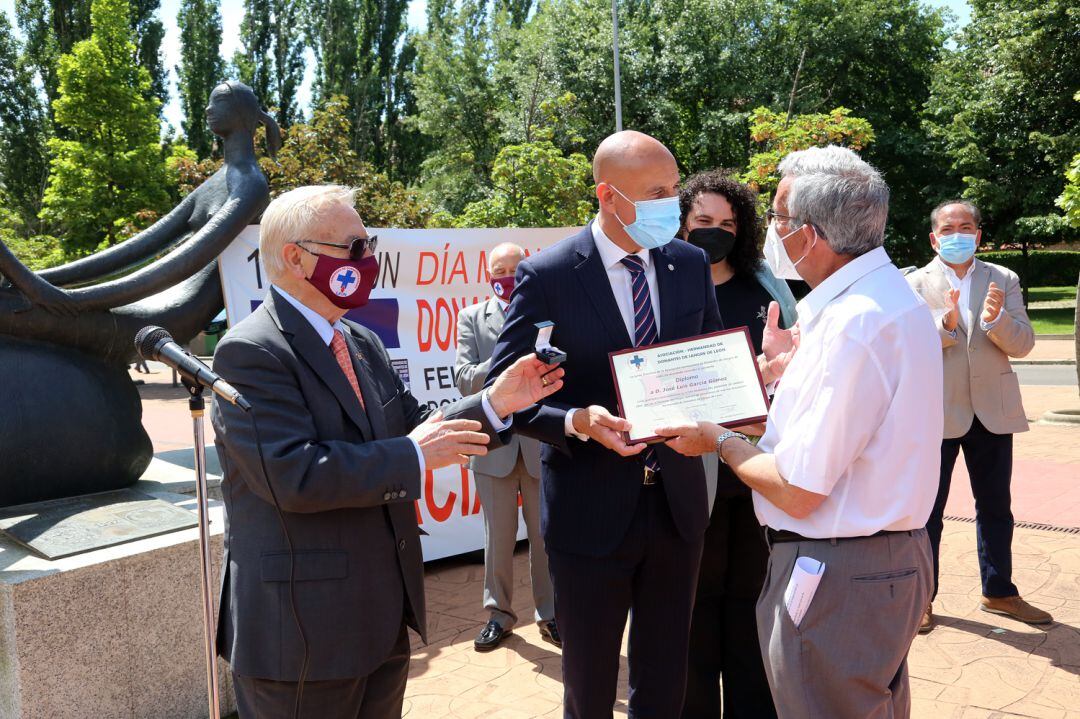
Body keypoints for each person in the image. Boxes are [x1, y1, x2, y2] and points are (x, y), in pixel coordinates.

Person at [210, 185, 565, 719]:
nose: (370, 260)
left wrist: (496, 403)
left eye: (370, 244)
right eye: (355, 247)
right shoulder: (250, 351)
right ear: (294, 257)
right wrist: (412, 455)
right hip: (303, 635)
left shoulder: (360, 341)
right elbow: (294, 474)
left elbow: (419, 423)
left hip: (379, 621)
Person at [658, 146, 942, 719]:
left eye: (780, 221)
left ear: (809, 236)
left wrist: (719, 440)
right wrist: (784, 391)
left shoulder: (855, 323)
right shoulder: (877, 303)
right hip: (872, 563)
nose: (772, 233)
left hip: (840, 571)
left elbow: (797, 488)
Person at [485, 130, 723, 718]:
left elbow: (711, 359)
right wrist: (577, 422)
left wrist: (745, 377)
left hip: (676, 504)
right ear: (608, 196)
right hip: (588, 512)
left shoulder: (689, 264)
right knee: (590, 682)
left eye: (675, 188)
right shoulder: (550, 275)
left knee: (666, 675)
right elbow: (508, 396)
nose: (674, 203)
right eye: (657, 192)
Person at [677, 171, 794, 719]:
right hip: (681, 474)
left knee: (751, 604)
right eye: (704, 221)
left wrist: (775, 373)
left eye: (728, 223)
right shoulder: (661, 287)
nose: (716, 232)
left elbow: (796, 371)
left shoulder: (764, 289)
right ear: (681, 222)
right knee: (693, 608)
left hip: (751, 474)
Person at [906, 200, 1050, 632]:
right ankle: (922, 600)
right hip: (938, 411)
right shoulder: (915, 284)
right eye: (948, 228)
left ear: (979, 235)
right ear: (934, 238)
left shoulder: (1003, 279)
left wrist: (998, 320)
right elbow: (908, 348)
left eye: (966, 227)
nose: (957, 234)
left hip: (992, 412)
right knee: (928, 511)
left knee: (995, 506)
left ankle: (999, 591)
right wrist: (945, 326)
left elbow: (1023, 343)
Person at [455, 242, 558, 652]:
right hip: (492, 448)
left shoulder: (547, 316)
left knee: (544, 538)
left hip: (539, 445)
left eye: (516, 270)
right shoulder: (471, 318)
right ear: (488, 274)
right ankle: (499, 615)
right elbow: (465, 378)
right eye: (500, 271)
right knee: (497, 537)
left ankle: (549, 614)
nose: (508, 278)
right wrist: (507, 362)